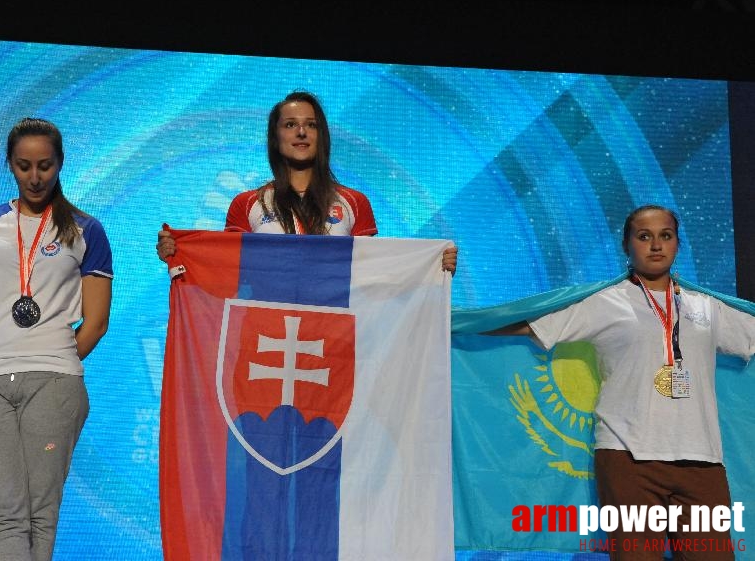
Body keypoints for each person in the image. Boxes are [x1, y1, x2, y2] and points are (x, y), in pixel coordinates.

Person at [488, 204, 755, 560]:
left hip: (702, 462)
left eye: (666, 236)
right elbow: (527, 323)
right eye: (644, 236)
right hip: (628, 458)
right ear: (626, 245)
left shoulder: (707, 308)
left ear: (678, 244)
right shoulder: (605, 302)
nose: (656, 245)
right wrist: (446, 313)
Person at [0, 117, 113, 561]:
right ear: (10, 165)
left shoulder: (87, 231)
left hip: (54, 382)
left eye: (44, 165)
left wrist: (52, 357)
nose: (35, 177)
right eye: (24, 166)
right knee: (3, 514)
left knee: (41, 515)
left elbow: (96, 322)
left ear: (60, 164)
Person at [156, 90, 457, 271]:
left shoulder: (353, 202)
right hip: (266, 331)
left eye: (310, 125)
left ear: (321, 136)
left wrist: (431, 265)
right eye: (290, 125)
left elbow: (372, 273)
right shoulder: (247, 204)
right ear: (276, 138)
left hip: (334, 337)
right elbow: (229, 269)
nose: (301, 132)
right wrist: (181, 253)